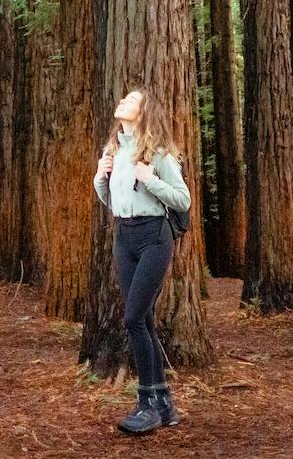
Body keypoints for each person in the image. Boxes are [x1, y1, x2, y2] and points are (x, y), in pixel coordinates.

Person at [93, 87, 190, 436]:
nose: (122, 102)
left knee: (133, 318)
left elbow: (183, 199)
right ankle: (163, 403)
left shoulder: (159, 153)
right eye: (123, 99)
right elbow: (111, 200)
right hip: (124, 236)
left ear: (144, 111)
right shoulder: (114, 151)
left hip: (154, 236)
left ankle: (146, 402)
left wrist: (151, 180)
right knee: (144, 320)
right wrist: (100, 178)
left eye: (131, 101)